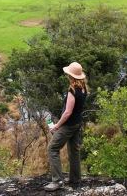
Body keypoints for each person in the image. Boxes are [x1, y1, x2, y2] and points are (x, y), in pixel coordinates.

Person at [44, 62, 88, 192]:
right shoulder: (84, 88)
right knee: (74, 151)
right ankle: (75, 178)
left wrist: (57, 126)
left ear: (71, 76)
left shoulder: (72, 90)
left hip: (68, 125)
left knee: (52, 148)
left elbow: (68, 112)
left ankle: (57, 181)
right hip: (77, 123)